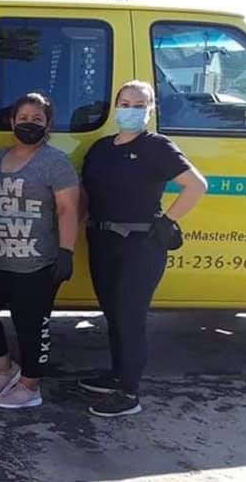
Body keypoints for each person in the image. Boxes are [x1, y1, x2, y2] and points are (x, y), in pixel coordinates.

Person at [79, 80, 206, 417]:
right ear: (115, 105)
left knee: (130, 316)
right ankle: (117, 374)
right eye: (125, 103)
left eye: (139, 105)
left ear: (150, 111)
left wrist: (167, 222)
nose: (131, 110)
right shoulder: (101, 148)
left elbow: (196, 185)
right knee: (112, 313)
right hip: (103, 241)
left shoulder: (158, 147)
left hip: (141, 245)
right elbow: (86, 193)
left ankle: (129, 393)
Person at [0, 92, 79, 410]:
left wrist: (66, 252)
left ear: (48, 125)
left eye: (37, 119)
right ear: (12, 122)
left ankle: (30, 386)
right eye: (23, 118)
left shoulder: (55, 162)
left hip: (36, 265)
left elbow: (69, 209)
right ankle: (2, 369)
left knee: (31, 325)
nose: (29, 124)